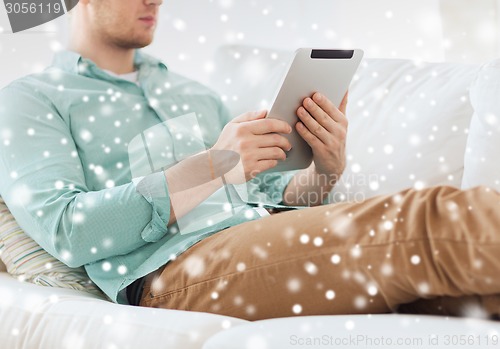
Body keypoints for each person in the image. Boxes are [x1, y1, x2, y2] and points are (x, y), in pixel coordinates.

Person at [1, 0, 500, 322]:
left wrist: (325, 169)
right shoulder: (30, 99)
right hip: (171, 273)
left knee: (469, 300)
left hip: (259, 236)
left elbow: (264, 192)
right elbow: (69, 229)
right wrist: (214, 164)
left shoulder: (190, 93)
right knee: (425, 217)